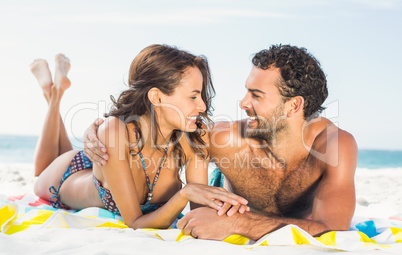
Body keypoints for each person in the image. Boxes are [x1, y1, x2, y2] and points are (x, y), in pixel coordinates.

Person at [84, 44, 358, 239]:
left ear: (294, 105)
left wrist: (241, 224)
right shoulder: (224, 139)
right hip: (216, 192)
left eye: (256, 95)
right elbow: (156, 123)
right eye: (246, 91)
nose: (242, 103)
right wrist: (96, 130)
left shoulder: (333, 147)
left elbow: (333, 229)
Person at [31, 45, 249, 230]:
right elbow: (135, 222)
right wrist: (184, 195)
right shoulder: (115, 131)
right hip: (68, 175)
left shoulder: (193, 137)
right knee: (40, 171)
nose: (201, 106)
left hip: (110, 160)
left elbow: (199, 215)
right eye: (193, 96)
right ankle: (54, 95)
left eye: (200, 95)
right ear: (157, 97)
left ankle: (54, 90)